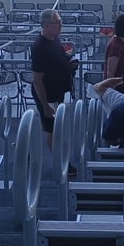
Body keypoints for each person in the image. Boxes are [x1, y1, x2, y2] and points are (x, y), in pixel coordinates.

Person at [31, 9, 77, 146]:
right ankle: (60, 162)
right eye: (57, 22)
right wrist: (45, 105)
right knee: (53, 129)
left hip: (58, 92)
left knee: (56, 126)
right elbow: (37, 80)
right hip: (48, 95)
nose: (61, 25)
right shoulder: (39, 47)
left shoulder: (54, 39)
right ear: (46, 25)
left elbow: (59, 58)